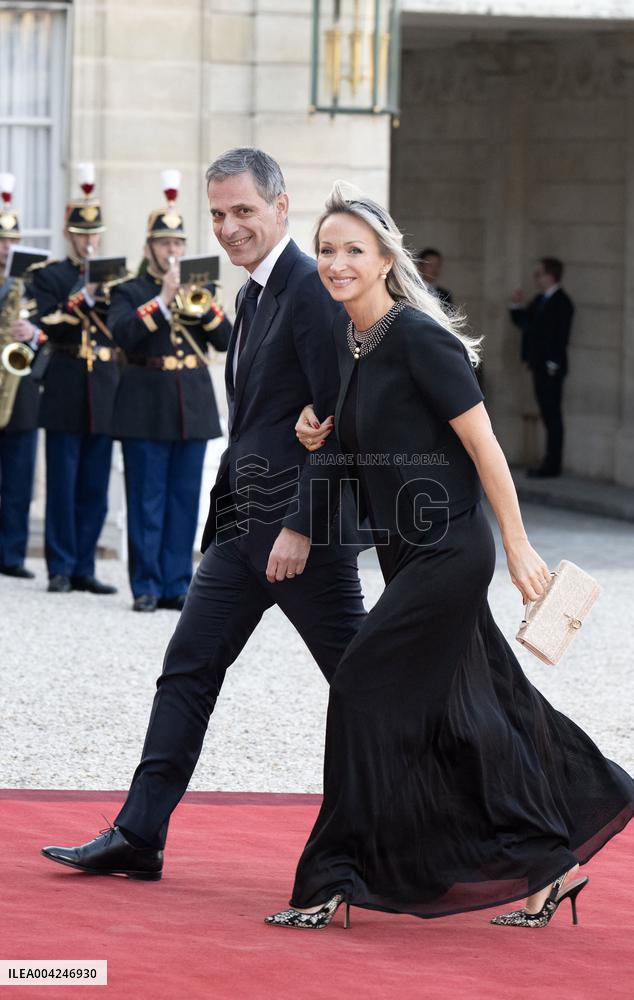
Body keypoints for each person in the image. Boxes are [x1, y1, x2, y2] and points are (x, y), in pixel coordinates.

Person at [264, 186, 634, 932]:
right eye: (328, 250)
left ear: (384, 260)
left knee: (363, 686)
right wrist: (324, 436)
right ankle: (549, 865)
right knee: (481, 708)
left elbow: (484, 445)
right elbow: (370, 441)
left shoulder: (416, 337)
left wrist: (520, 544)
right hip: (406, 554)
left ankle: (332, 874)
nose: (337, 264)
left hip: (449, 551)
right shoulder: (353, 341)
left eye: (353, 251)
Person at [40, 148, 366, 879]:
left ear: (283, 209)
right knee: (185, 671)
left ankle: (479, 825)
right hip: (241, 532)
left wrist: (302, 526)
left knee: (369, 684)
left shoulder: (312, 291)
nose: (228, 227)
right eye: (218, 214)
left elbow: (341, 420)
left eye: (243, 211)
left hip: (297, 538)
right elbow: (261, 417)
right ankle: (139, 834)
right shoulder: (252, 294)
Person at [107, 175, 232, 613]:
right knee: (146, 499)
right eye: (163, 244)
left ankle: (177, 583)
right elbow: (123, 336)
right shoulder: (128, 291)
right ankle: (145, 584)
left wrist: (203, 302)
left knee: (184, 500)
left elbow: (226, 341)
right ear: (149, 250)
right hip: (144, 406)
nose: (172, 251)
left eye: (177, 243)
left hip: (191, 407)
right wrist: (162, 299)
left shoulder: (201, 290)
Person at [32, 168, 118, 594]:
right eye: (81, 234)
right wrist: (78, 298)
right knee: (62, 486)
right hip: (66, 383)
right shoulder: (51, 276)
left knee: (95, 485)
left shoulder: (114, 279)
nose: (88, 241)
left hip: (103, 388)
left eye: (94, 234)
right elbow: (43, 323)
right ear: (70, 235)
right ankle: (60, 567)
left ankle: (85, 564)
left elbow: (122, 328)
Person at [0, 175, 43, 578]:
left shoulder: (32, 281)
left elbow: (50, 329)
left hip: (20, 386)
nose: (6, 248)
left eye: (11, 241)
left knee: (18, 479)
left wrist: (32, 333)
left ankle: (11, 555)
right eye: (0, 240)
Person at [509, 258, 574, 478]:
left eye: (539, 274)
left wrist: (552, 363)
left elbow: (560, 337)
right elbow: (526, 324)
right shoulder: (540, 300)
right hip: (539, 366)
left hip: (551, 368)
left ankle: (552, 464)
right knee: (547, 414)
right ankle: (548, 462)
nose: (536, 279)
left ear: (550, 276)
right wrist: (516, 306)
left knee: (552, 415)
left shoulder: (562, 302)